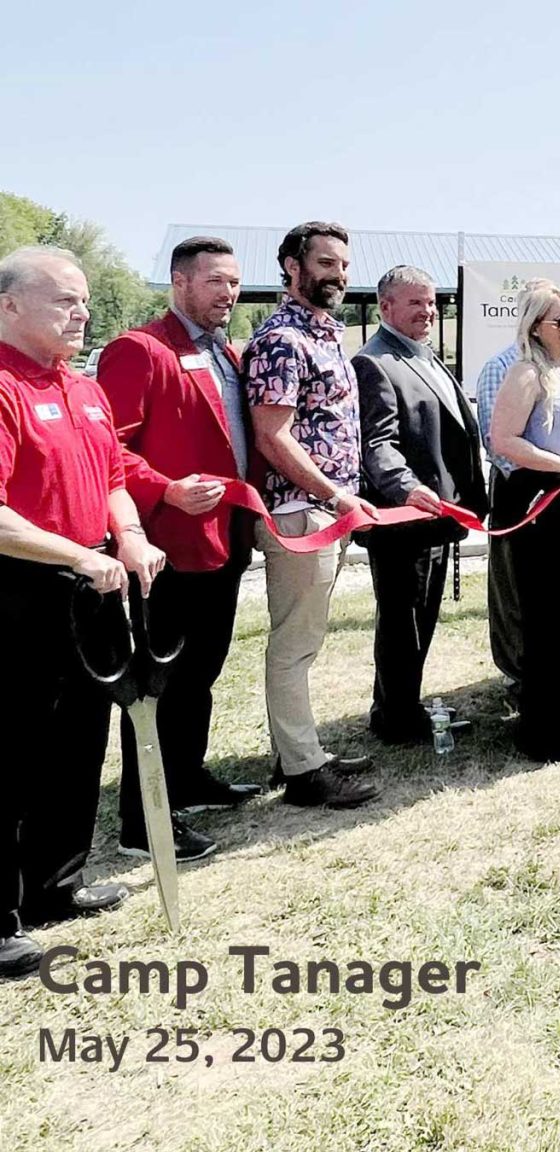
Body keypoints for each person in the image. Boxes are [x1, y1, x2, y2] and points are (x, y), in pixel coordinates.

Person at [0, 247, 163, 977]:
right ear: (9, 305)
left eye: (85, 300)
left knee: (77, 741)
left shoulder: (86, 388)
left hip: (93, 583)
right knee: (14, 752)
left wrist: (127, 535)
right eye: (65, 299)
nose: (83, 312)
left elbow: (115, 478)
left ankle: (55, 887)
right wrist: (73, 552)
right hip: (22, 590)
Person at [97, 235, 262, 865]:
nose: (229, 292)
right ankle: (144, 822)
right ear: (179, 282)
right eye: (216, 281)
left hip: (224, 541)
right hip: (166, 545)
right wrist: (164, 490)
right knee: (161, 683)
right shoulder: (140, 351)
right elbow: (108, 449)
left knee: (202, 672)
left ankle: (188, 779)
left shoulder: (229, 354)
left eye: (234, 282)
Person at [244, 221, 379, 808]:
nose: (339, 275)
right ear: (292, 269)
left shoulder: (325, 335)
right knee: (294, 643)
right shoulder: (281, 339)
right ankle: (303, 771)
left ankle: (294, 751)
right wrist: (335, 494)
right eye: (326, 263)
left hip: (326, 510)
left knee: (306, 638)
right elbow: (274, 437)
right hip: (300, 514)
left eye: (344, 265)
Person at [355, 266, 487, 744]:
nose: (427, 311)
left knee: (417, 619)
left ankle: (396, 704)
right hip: (404, 521)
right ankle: (396, 718)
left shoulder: (423, 356)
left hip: (435, 520)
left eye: (431, 303)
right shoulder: (375, 362)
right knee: (403, 621)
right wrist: (405, 488)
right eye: (415, 303)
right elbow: (377, 444)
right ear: (386, 307)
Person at [487, 286, 560, 761]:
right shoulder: (526, 373)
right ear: (536, 326)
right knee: (543, 620)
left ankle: (557, 715)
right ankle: (541, 731)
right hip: (540, 503)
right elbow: (504, 439)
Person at [476, 277, 555, 706]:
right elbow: (499, 444)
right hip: (518, 494)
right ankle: (516, 673)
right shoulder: (504, 366)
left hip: (557, 498)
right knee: (512, 591)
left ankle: (543, 672)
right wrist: (545, 475)